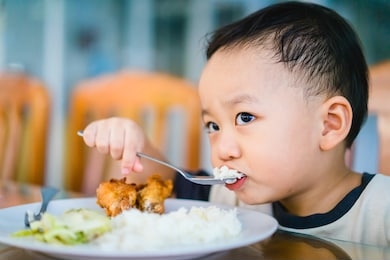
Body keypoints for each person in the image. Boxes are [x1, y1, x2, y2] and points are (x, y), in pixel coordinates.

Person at [80, 1, 390, 246]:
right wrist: (136, 145)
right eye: (213, 126)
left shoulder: (382, 213)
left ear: (329, 126)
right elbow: (164, 187)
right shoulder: (228, 198)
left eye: (245, 117)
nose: (222, 150)